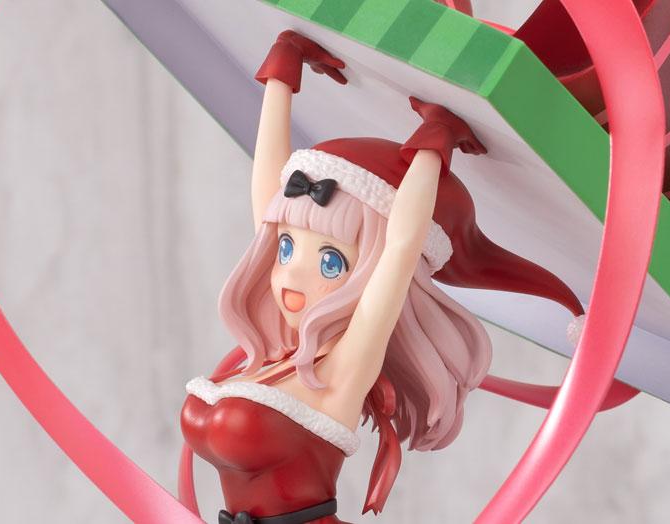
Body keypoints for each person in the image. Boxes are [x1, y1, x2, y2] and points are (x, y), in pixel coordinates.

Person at [178, 30, 589, 524]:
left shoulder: (343, 367)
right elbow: (267, 195)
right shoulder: (279, 351)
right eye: (286, 249)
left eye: (331, 262)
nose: (291, 274)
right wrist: (284, 68)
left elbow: (399, 249)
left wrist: (435, 143)